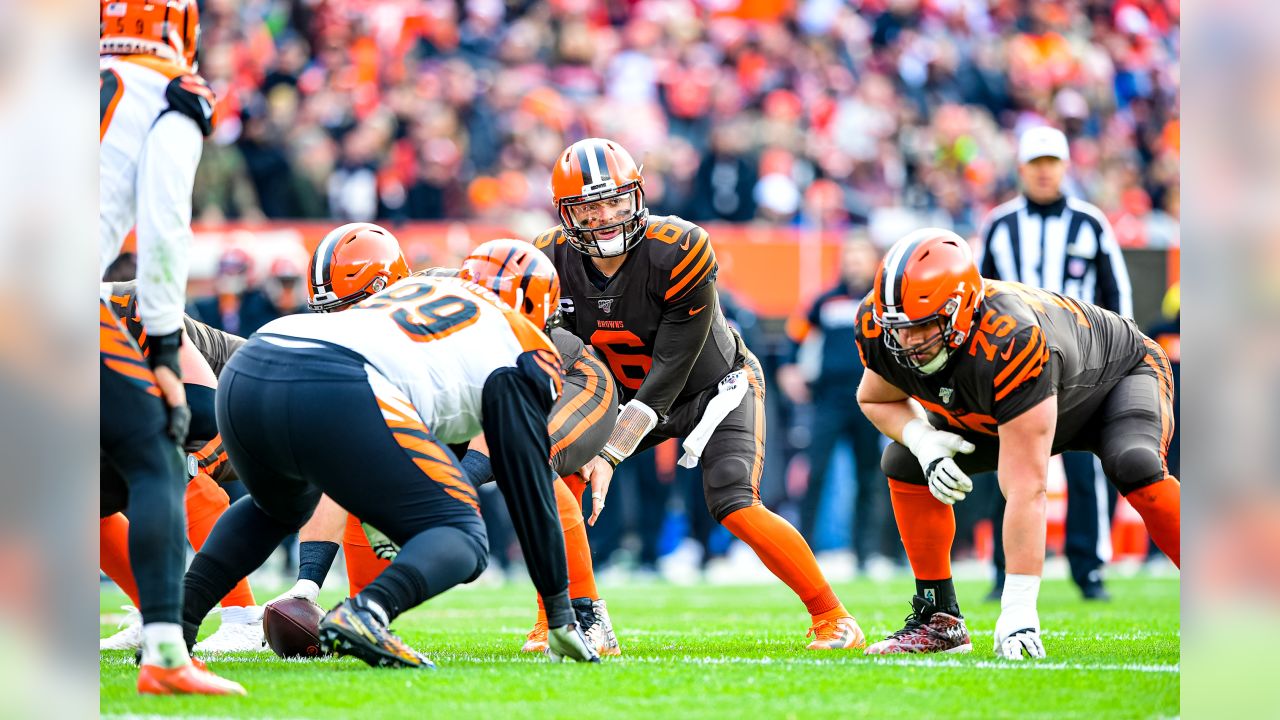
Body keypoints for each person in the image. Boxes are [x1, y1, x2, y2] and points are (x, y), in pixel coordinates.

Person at [177, 239, 601, 667]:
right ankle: (368, 613)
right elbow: (527, 484)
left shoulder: (416, 292)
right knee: (463, 535)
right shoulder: (524, 343)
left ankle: (174, 625)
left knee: (277, 508)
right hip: (341, 378)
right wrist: (561, 612)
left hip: (257, 359)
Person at [535, 138, 864, 650]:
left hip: (713, 390)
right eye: (589, 206)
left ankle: (832, 616)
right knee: (555, 479)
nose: (606, 216)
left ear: (637, 194)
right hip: (622, 394)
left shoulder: (680, 247)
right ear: (565, 213)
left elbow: (669, 369)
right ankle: (563, 617)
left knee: (733, 499)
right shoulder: (549, 258)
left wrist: (610, 448)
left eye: (616, 200)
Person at [854, 228, 1180, 659]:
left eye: (924, 326)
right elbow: (875, 397)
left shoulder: (1010, 338)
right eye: (900, 329)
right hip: (1022, 396)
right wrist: (923, 440)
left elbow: (1026, 487)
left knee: (1135, 464)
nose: (909, 343)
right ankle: (940, 620)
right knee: (905, 461)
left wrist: (1019, 611)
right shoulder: (882, 326)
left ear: (961, 309)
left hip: (1115, 378)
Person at [99, 0, 243, 695]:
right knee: (157, 450)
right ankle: (164, 650)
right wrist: (162, 342)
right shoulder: (168, 86)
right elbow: (164, 229)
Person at [976, 126, 1134, 601]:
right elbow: (979, 293)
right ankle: (1003, 570)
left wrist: (1118, 355)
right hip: (1015, 363)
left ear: (1065, 167)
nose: (1045, 172)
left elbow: (1116, 293)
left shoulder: (1091, 223)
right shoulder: (1000, 225)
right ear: (1022, 169)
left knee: (1086, 468)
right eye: (1036, 164)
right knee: (1011, 469)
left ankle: (1090, 571)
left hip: (1083, 362)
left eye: (1052, 163)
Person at [100, 282, 263, 654]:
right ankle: (158, 613)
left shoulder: (132, 307)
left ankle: (244, 617)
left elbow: (203, 413)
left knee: (176, 466)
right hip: (180, 406)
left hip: (251, 397)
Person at [779, 237, 898, 574]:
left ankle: (865, 554)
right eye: (850, 256)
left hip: (871, 401)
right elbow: (794, 334)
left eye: (860, 255)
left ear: (873, 260)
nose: (854, 263)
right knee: (815, 473)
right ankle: (802, 553)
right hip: (828, 400)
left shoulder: (883, 303)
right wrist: (789, 368)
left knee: (869, 477)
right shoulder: (825, 301)